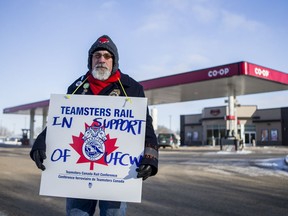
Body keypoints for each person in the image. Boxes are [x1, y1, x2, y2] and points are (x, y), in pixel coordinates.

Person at [30, 35, 159, 216]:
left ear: (114, 61)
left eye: (107, 56)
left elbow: (146, 126)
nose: (102, 60)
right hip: (78, 171)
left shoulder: (131, 88)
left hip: (116, 174)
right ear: (90, 60)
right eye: (97, 55)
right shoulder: (76, 87)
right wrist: (41, 140)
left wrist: (150, 157)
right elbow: (60, 122)